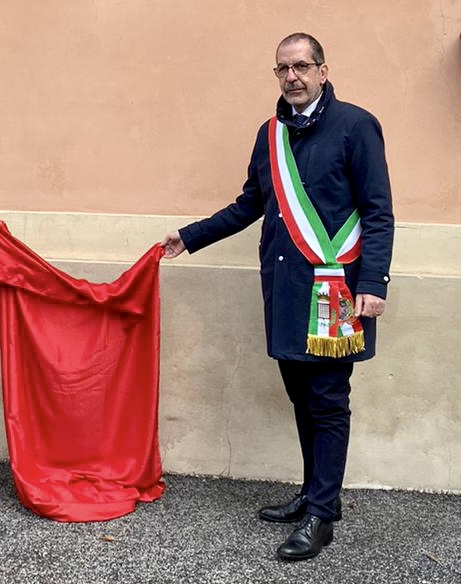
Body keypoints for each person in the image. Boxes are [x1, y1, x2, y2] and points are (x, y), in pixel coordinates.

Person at [161, 33, 392, 562]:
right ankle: (313, 494)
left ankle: (322, 516)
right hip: (287, 291)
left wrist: (372, 285)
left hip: (336, 294)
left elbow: (378, 212)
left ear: (323, 70)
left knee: (329, 403)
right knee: (301, 398)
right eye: (283, 68)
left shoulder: (356, 126)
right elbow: (250, 204)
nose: (292, 76)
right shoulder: (269, 135)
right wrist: (191, 236)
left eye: (302, 67)